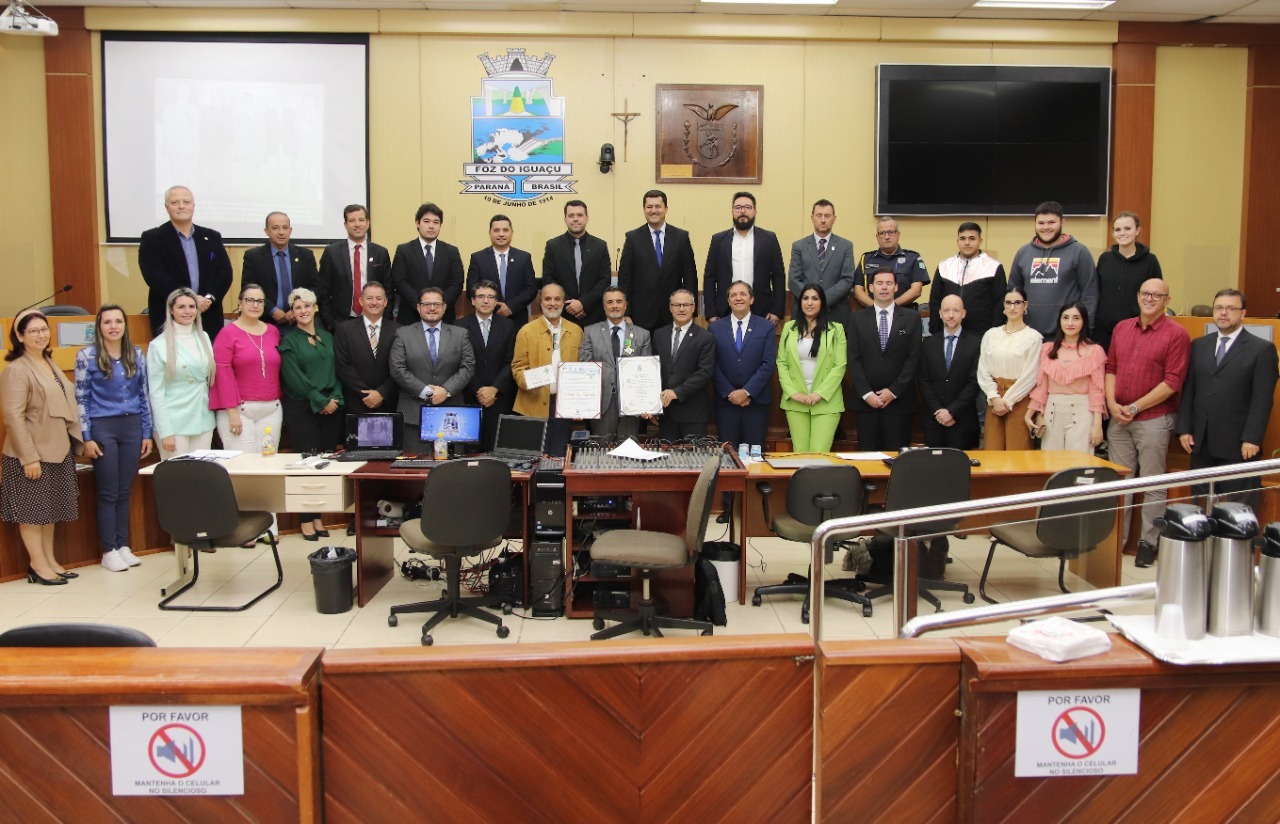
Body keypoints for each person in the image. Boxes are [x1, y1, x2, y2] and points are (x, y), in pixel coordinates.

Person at [1105, 278, 1191, 568]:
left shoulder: (1177, 334)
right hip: (1119, 419)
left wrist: (1135, 406)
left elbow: (1172, 382)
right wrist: (1112, 405)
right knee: (1121, 483)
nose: (1150, 299)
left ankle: (1147, 543)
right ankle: (1116, 541)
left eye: (1157, 295)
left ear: (1167, 300)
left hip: (1154, 418)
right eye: (1145, 293)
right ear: (1138, 295)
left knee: (1153, 482)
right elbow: (1111, 369)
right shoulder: (1122, 328)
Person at [1, 311, 83, 585]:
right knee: (33, 513)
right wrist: (29, 458)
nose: (40, 335)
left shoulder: (49, 361)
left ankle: (49, 560)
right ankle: (37, 565)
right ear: (20, 336)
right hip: (31, 454)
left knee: (50, 511)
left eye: (43, 329)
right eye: (33, 331)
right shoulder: (17, 368)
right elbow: (13, 415)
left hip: (57, 448)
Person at [1177, 288, 1279, 503]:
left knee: (1236, 509)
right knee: (1201, 504)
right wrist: (1184, 429)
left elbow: (1262, 400)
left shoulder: (1262, 349)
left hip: (1239, 444)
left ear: (1243, 313)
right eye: (1219, 308)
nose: (1224, 313)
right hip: (1200, 442)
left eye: (1231, 308)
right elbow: (1189, 390)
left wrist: (1252, 437)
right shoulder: (1199, 345)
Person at [75, 305, 154, 573]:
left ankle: (123, 546)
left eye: (118, 321)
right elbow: (81, 399)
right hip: (102, 427)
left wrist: (146, 432)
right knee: (108, 491)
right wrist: (87, 436)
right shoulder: (87, 356)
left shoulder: (137, 354)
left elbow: (143, 396)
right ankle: (108, 550)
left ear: (124, 325)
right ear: (99, 326)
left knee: (124, 489)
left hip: (131, 426)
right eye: (107, 322)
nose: (113, 326)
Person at [278, 287, 343, 540]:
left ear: (315, 308)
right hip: (303, 408)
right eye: (297, 308)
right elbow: (295, 379)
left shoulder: (328, 337)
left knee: (324, 463)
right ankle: (305, 519)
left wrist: (335, 398)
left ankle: (318, 516)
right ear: (292, 313)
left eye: (307, 306)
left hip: (331, 407)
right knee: (306, 463)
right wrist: (320, 400)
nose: (303, 311)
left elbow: (338, 371)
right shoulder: (289, 341)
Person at [138, 185, 233, 337]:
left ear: (193, 206)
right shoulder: (153, 238)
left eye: (186, 202)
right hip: (170, 315)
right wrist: (190, 300)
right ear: (166, 207)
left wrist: (208, 299)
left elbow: (224, 273)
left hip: (207, 314)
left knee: (208, 359)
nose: (181, 206)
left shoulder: (212, 237)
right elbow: (154, 275)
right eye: (175, 202)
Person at [389, 286, 475, 451]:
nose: (432, 308)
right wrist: (426, 392)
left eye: (437, 304)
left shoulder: (460, 334)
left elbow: (468, 366)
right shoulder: (403, 334)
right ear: (418, 307)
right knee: (414, 470)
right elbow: (397, 368)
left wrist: (446, 390)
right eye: (427, 304)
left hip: (451, 414)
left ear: (444, 307)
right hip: (414, 415)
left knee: (452, 470)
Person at [847, 270, 922, 451]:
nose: (884, 287)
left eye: (889, 283)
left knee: (897, 460)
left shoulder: (911, 318)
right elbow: (853, 358)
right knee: (867, 457)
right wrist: (866, 393)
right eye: (879, 283)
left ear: (896, 287)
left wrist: (894, 391)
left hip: (899, 402)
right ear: (871, 288)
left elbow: (914, 358)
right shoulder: (857, 319)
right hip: (866, 403)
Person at [209, 284, 284, 454]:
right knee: (244, 466)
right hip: (239, 411)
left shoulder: (272, 331)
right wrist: (232, 413)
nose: (255, 305)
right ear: (240, 303)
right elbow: (222, 374)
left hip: (271, 410)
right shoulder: (227, 333)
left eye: (260, 301)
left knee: (268, 463)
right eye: (250, 300)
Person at [1008, 200, 1099, 339]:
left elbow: (1090, 294)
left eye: (1051, 222)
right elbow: (1013, 292)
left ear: (1062, 222)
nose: (1046, 227)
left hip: (1065, 335)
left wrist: (1087, 329)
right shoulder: (1023, 253)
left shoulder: (1079, 252)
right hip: (1027, 334)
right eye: (1041, 223)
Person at [1025, 302, 1107, 455]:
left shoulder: (1094, 351)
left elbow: (1097, 391)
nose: (1070, 323)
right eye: (1065, 318)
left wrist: (1097, 424)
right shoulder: (1047, 349)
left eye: (1076, 318)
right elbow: (1042, 386)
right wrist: (1033, 413)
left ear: (1084, 322)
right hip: (1052, 411)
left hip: (1082, 411)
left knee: (1079, 463)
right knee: (1050, 462)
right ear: (1059, 321)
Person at [146, 287, 216, 461]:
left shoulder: (204, 337)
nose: (187, 311)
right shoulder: (158, 345)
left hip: (203, 418)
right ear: (171, 310)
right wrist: (165, 431)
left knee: (201, 476)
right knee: (177, 479)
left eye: (192, 306)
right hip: (174, 422)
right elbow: (156, 393)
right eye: (181, 307)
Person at [777, 285, 846, 453]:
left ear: (822, 302)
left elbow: (840, 365)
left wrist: (819, 394)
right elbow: (781, 363)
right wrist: (792, 392)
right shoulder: (789, 328)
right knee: (799, 453)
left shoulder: (836, 330)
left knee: (819, 453)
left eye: (815, 298)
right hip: (795, 400)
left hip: (826, 401)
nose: (809, 302)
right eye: (805, 298)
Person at [711, 281, 777, 452]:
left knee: (755, 455)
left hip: (756, 403)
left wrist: (746, 392)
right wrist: (730, 393)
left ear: (752, 299)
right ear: (728, 301)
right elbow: (712, 364)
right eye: (733, 295)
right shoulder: (715, 328)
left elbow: (768, 363)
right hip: (726, 403)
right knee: (727, 455)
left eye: (743, 294)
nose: (738, 298)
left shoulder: (766, 327)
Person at [617, 189, 698, 330]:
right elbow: (625, 280)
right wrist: (625, 312)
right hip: (640, 316)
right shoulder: (633, 238)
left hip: (674, 314)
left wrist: (691, 310)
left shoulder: (681, 237)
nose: (653, 210)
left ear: (666, 209)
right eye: (649, 207)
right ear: (644, 210)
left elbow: (690, 277)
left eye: (658, 206)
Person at [579, 287, 652, 439]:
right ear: (604, 306)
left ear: (625, 305)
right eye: (610, 302)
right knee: (602, 451)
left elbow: (646, 371)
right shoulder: (590, 332)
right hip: (602, 401)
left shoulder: (642, 334)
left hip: (631, 403)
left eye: (619, 301)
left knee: (629, 450)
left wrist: (646, 403)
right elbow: (585, 368)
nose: (614, 306)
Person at [702, 192, 785, 324]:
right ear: (732, 211)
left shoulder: (769, 239)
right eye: (738, 207)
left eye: (747, 207)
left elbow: (778, 276)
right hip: (724, 310)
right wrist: (711, 312)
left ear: (755, 211)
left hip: (761, 309)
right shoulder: (718, 240)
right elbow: (710, 277)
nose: (743, 211)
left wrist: (777, 310)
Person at [977, 288, 1042, 451]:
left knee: (1018, 450)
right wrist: (994, 397)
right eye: (1008, 303)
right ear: (1003, 306)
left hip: (1019, 399)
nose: (1013, 307)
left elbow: (1031, 375)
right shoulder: (991, 335)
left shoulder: (1033, 337)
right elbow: (983, 369)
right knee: (993, 450)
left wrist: (1008, 401)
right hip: (994, 398)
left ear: (1025, 306)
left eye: (1017, 303)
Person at [454, 280, 516, 451]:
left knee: (498, 452)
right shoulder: (458, 327)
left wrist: (494, 389)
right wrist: (479, 389)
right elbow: (459, 362)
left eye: (491, 297)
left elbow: (510, 361)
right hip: (470, 399)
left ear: (497, 302)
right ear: (473, 300)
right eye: (481, 296)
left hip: (500, 399)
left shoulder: (509, 326)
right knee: (470, 453)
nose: (486, 301)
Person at [511, 283, 583, 429]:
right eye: (547, 299)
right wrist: (535, 379)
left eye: (557, 299)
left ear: (563, 302)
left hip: (565, 406)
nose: (552, 303)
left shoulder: (576, 331)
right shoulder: (526, 331)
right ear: (540, 302)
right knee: (536, 451)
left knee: (560, 451)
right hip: (533, 406)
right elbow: (517, 369)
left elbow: (583, 369)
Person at [647, 289, 715, 440]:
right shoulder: (659, 335)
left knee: (694, 461)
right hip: (666, 413)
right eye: (677, 305)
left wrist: (677, 392)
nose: (681, 309)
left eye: (686, 304)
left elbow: (705, 372)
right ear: (670, 308)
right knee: (668, 461)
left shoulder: (705, 337)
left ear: (693, 307)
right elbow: (652, 371)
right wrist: (652, 405)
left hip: (693, 414)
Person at [1094, 211, 1163, 353]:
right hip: (1103, 331)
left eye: (1127, 228)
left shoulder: (1150, 261)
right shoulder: (1105, 259)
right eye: (1117, 229)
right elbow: (1096, 291)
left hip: (1137, 330)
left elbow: (1157, 295)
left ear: (1137, 230)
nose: (1122, 233)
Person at [919, 295, 981, 450]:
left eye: (956, 310)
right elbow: (923, 380)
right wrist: (938, 411)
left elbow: (974, 382)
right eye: (946, 310)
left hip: (962, 421)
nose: (951, 315)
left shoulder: (976, 344)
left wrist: (952, 411)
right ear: (940, 313)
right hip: (934, 420)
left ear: (964, 313)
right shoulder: (928, 343)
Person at [316, 204, 391, 331]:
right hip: (341, 322)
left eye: (361, 220)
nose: (357, 224)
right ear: (345, 225)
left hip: (374, 320)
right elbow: (323, 291)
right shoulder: (332, 253)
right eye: (352, 220)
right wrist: (329, 322)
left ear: (368, 223)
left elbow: (388, 289)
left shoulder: (380, 253)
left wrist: (385, 318)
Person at [334, 281, 400, 424]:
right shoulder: (344, 329)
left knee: (387, 445)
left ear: (385, 302)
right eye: (369, 298)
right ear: (361, 301)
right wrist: (366, 394)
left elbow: (401, 366)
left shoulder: (398, 331)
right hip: (355, 402)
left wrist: (382, 393)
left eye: (379, 298)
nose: (374, 302)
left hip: (388, 402)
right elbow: (342, 365)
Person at [240, 211, 319, 328]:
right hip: (265, 321)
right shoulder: (253, 256)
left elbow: (315, 287)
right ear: (267, 231)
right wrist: (272, 310)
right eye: (275, 228)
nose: (281, 232)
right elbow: (248, 289)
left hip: (300, 321)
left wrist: (297, 309)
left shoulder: (305, 255)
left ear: (290, 230)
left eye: (285, 228)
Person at [390, 203, 465, 326]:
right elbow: (399, 281)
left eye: (436, 222)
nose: (431, 226)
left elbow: (457, 282)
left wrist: (439, 305)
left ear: (440, 225)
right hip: (411, 315)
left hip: (444, 316)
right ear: (417, 223)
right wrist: (421, 305)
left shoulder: (451, 251)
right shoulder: (404, 250)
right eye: (426, 221)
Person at [928, 222, 1006, 338]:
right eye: (962, 238)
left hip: (982, 334)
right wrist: (935, 331)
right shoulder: (944, 266)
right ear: (957, 241)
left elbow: (1000, 302)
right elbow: (935, 300)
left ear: (980, 241)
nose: (967, 243)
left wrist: (995, 333)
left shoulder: (993, 267)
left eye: (972, 238)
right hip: (949, 333)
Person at [541, 200, 612, 328]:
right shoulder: (553, 246)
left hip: (593, 315)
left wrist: (583, 303)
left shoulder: (600, 246)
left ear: (587, 218)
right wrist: (569, 305)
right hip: (562, 315)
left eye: (579, 215)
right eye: (571, 215)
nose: (575, 219)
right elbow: (549, 278)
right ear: (565, 219)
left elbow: (605, 280)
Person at [789, 199, 855, 324]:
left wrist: (822, 300)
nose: (823, 220)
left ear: (834, 219)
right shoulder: (799, 246)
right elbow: (793, 280)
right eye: (819, 215)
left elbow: (847, 280)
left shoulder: (845, 246)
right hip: (804, 315)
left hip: (836, 314)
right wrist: (811, 301)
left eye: (827, 216)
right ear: (812, 218)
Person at [465, 214, 536, 326]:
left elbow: (531, 289)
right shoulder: (478, 258)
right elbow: (471, 290)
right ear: (490, 233)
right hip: (487, 318)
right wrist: (493, 306)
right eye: (496, 230)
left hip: (517, 319)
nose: (501, 234)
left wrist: (510, 307)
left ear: (512, 232)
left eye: (505, 230)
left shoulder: (524, 257)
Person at [852, 216, 929, 309]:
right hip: (872, 315)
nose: (887, 237)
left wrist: (891, 307)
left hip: (903, 314)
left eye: (890, 232)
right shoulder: (866, 259)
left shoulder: (912, 258)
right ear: (877, 237)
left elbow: (916, 290)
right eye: (882, 233)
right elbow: (858, 290)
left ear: (898, 234)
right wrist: (876, 308)